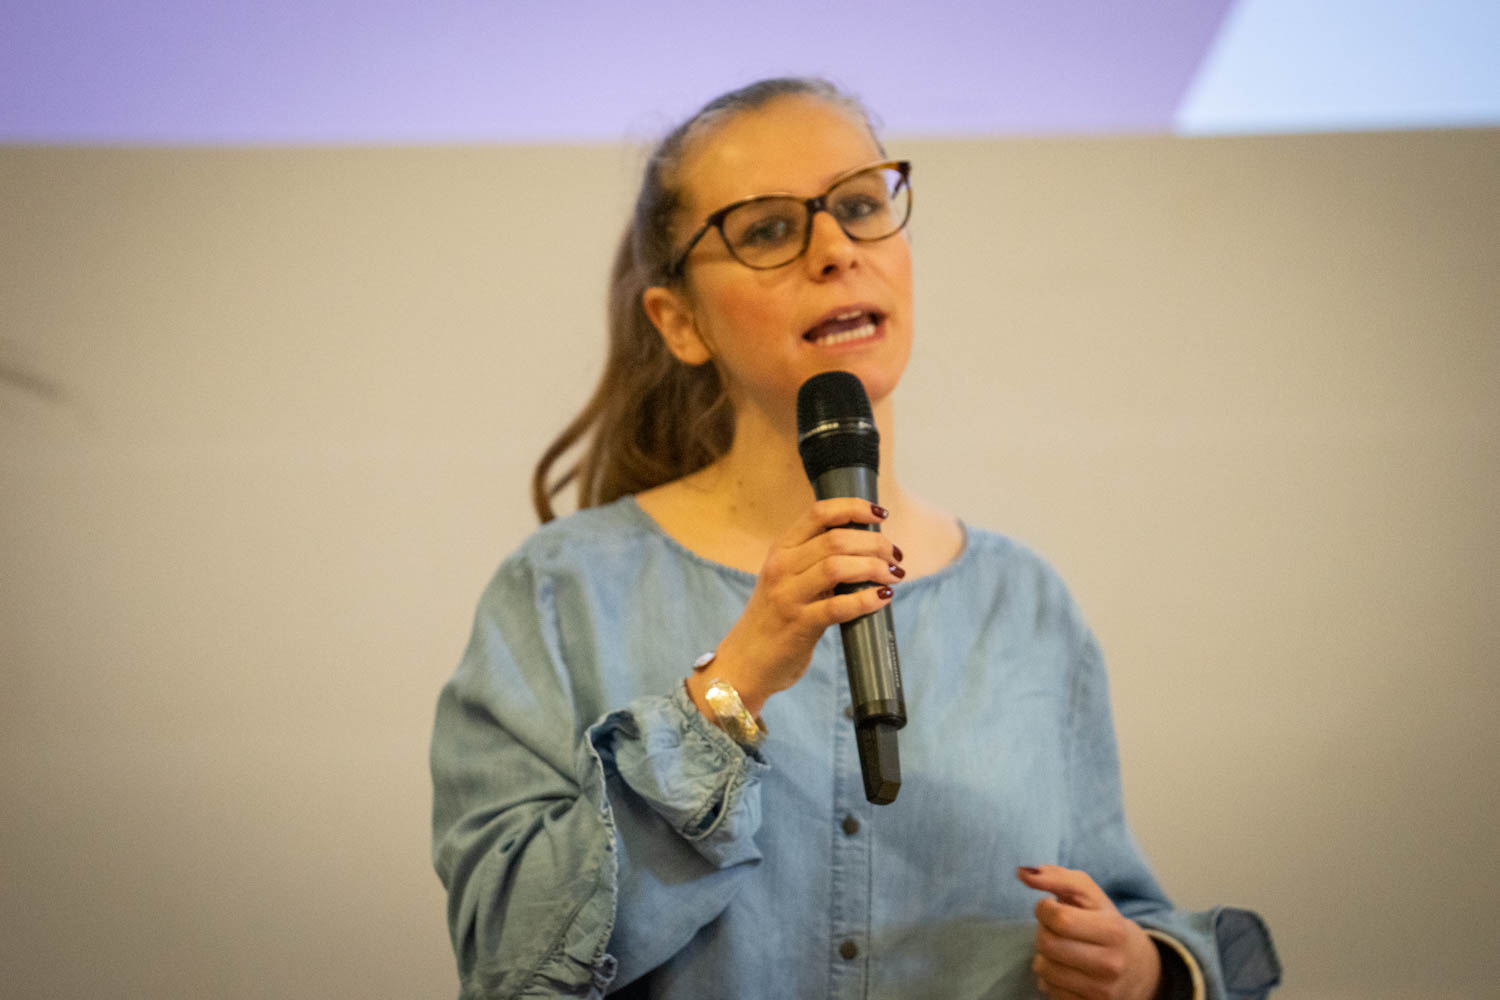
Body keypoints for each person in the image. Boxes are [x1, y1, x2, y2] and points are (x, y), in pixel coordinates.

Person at [430, 77, 1280, 1000]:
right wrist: (730, 687)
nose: (836, 250)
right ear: (680, 322)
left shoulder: (1024, 602)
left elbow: (1125, 905)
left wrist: (1143, 970)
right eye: (767, 229)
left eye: (863, 206)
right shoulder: (561, 590)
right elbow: (511, 968)